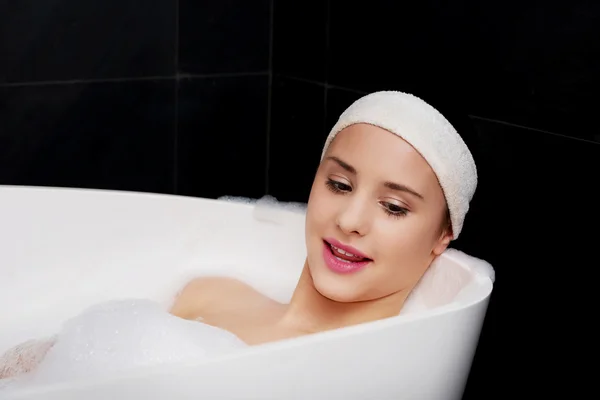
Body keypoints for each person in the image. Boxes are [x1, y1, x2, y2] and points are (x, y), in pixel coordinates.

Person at [0, 90, 478, 383]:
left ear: (442, 238)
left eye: (394, 207)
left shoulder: (381, 373)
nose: (351, 220)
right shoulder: (211, 292)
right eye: (339, 184)